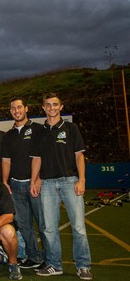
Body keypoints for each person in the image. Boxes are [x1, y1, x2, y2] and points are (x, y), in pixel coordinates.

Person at [30, 93, 92, 280]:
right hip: (47, 184)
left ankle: (83, 266)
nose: (51, 108)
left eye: (55, 104)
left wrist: (81, 180)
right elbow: (36, 159)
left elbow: (79, 156)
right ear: (43, 108)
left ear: (61, 107)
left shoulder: (71, 128)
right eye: (48, 105)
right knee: (49, 228)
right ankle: (54, 265)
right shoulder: (39, 132)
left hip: (69, 181)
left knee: (79, 227)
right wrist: (34, 180)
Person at [2, 98, 46, 270]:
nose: (16, 110)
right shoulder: (8, 135)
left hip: (34, 184)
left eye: (19, 107)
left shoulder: (38, 129)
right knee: (23, 224)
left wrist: (38, 180)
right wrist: (5, 181)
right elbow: (6, 160)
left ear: (26, 108)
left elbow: (44, 157)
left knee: (43, 224)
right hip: (16, 185)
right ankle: (34, 257)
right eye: (13, 108)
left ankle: (49, 259)